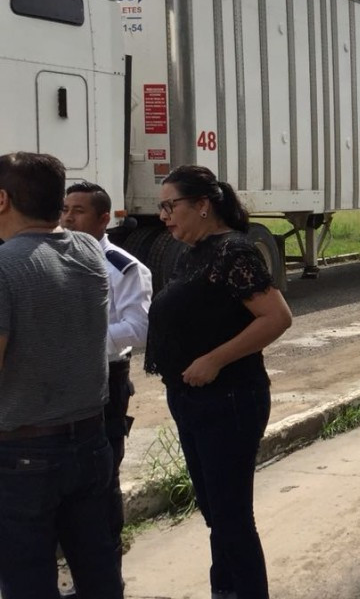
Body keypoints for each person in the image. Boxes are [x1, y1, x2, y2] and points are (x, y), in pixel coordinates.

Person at [144, 165, 292, 599]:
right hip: (192, 399)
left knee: (231, 518)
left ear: (203, 205)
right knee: (217, 515)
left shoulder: (233, 253)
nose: (164, 216)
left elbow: (277, 317)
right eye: (161, 208)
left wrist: (214, 360)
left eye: (170, 206)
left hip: (228, 400)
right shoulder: (192, 252)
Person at [0, 153, 122, 599]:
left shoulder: (5, 266)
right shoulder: (88, 250)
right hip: (90, 442)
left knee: (27, 582)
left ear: (2, 200)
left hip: (23, 454)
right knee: (98, 574)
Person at [62, 182, 153, 576]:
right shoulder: (55, 259)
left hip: (105, 378)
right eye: (65, 209)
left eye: (78, 211)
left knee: (101, 477)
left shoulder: (122, 266)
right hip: (61, 382)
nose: (68, 218)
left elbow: (139, 327)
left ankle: (107, 573)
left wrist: (82, 343)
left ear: (103, 220)